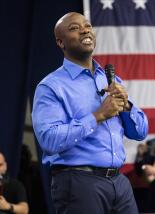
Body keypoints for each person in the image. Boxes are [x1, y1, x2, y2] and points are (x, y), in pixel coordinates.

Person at [32, 12, 148, 214]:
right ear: (61, 42)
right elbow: (49, 140)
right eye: (74, 28)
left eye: (87, 25)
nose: (85, 30)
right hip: (79, 184)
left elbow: (140, 132)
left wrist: (127, 106)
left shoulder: (111, 80)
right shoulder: (51, 86)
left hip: (119, 183)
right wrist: (98, 116)